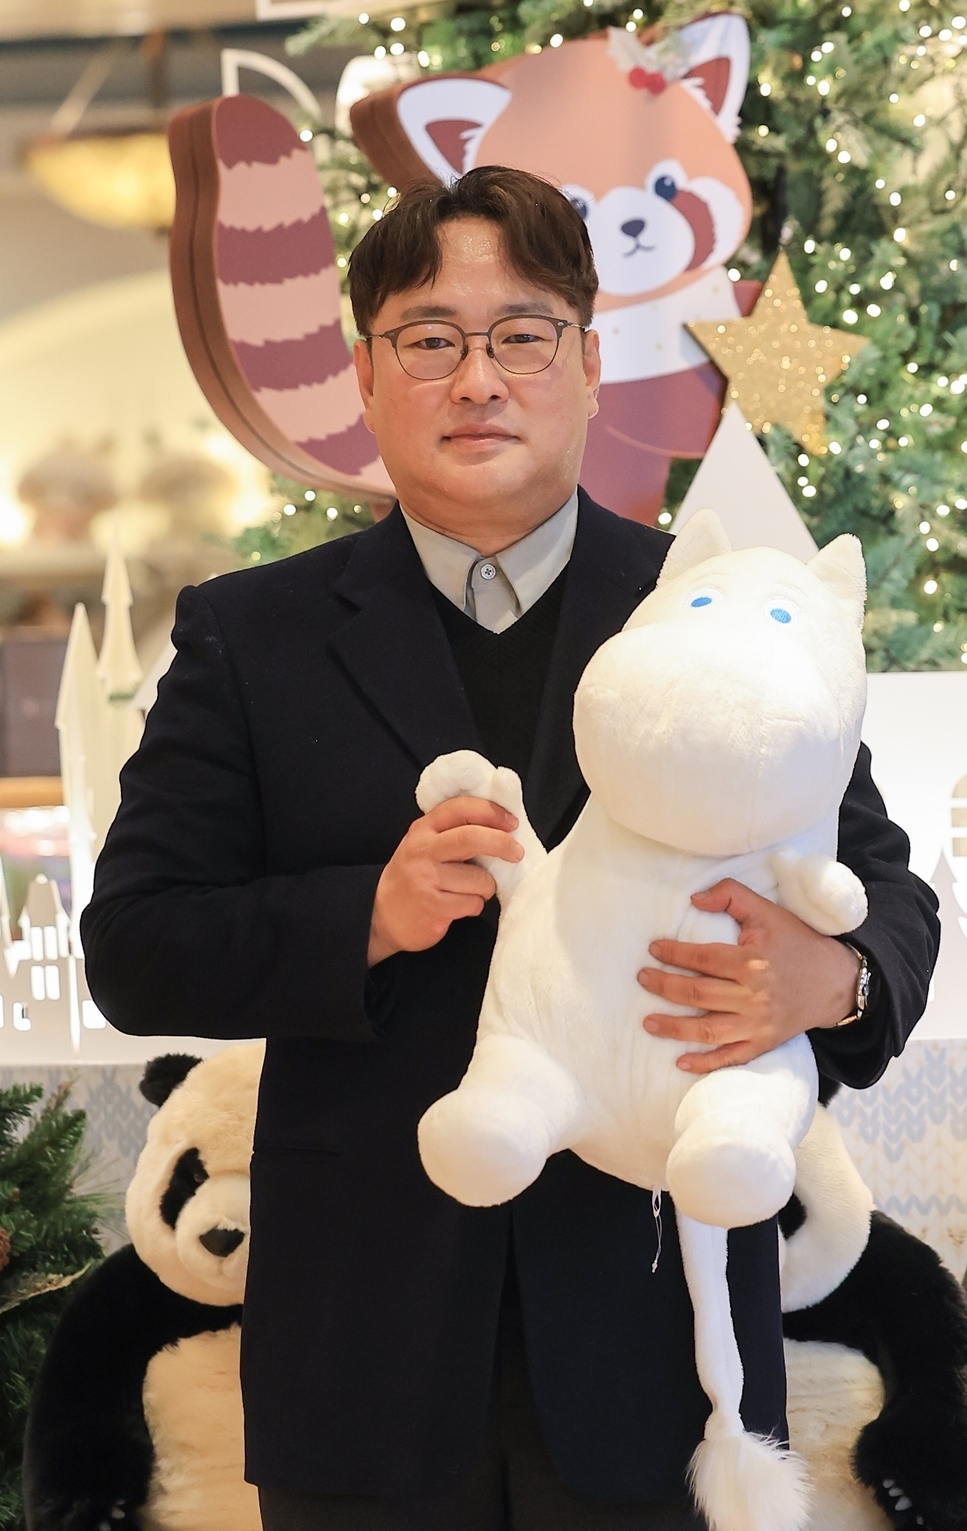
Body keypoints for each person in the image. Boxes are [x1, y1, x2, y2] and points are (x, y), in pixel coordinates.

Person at [81, 167, 939, 1531]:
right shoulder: (251, 637)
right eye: (430, 338)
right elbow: (134, 946)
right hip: (363, 1344)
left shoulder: (715, 604)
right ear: (368, 376)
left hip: (663, 1340)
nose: (478, 378)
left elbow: (890, 895)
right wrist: (366, 914)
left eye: (523, 335)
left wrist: (832, 979)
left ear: (589, 367)